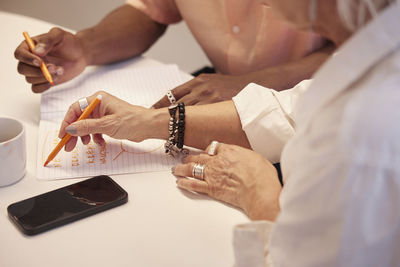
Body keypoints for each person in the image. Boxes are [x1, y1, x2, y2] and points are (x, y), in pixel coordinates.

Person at [58, 0, 400, 265]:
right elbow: (289, 109)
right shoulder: (373, 49)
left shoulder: (360, 132)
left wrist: (260, 193)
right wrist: (149, 121)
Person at [14, 0, 331, 107]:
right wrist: (85, 47)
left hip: (320, 100)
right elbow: (152, 10)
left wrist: (250, 85)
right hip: (221, 85)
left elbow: (367, 46)